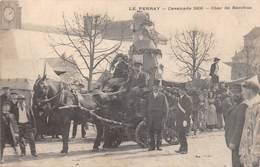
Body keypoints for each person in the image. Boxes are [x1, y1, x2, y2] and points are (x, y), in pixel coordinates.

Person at [225, 86, 247, 167]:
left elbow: (239, 126)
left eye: (237, 92)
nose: (234, 94)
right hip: (234, 142)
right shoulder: (236, 105)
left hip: (238, 143)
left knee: (238, 164)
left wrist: (234, 141)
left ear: (242, 93)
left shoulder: (242, 106)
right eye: (233, 92)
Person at [239, 81, 260, 167]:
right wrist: (242, 151)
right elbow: (245, 131)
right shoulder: (249, 107)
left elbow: (258, 132)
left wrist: (256, 153)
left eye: (243, 90)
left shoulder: (258, 107)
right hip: (248, 153)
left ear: (249, 90)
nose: (242, 93)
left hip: (255, 154)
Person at [145, 80, 168, 151]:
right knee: (150, 131)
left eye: (157, 87)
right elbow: (145, 106)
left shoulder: (162, 96)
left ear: (159, 88)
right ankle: (152, 146)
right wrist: (145, 116)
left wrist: (164, 118)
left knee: (159, 131)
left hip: (159, 116)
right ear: (152, 87)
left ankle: (158, 146)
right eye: (154, 87)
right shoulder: (149, 96)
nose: (155, 88)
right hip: (150, 116)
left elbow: (166, 107)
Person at [0, 87, 19, 163]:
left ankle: (16, 152)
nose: (6, 92)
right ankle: (1, 157)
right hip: (1, 122)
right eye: (5, 90)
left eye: (7, 91)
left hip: (9, 122)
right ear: (3, 91)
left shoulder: (11, 101)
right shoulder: (0, 99)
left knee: (13, 138)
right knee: (1, 140)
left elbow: (14, 111)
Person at [175, 86, 193, 154]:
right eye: (179, 90)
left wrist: (185, 120)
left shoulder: (188, 98)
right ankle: (181, 147)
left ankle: (185, 149)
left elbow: (189, 110)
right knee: (180, 134)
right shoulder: (180, 98)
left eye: (181, 90)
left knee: (183, 134)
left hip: (184, 119)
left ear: (185, 91)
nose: (180, 92)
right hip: (179, 119)